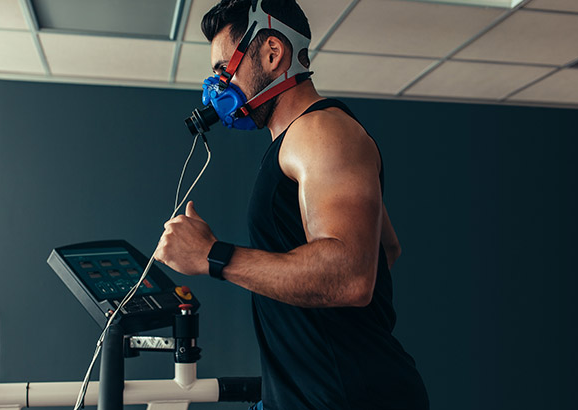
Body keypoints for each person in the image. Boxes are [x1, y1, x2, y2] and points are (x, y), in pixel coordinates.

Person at [154, 0, 430, 408]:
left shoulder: (322, 132)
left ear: (271, 53)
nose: (215, 89)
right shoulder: (297, 142)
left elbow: (352, 276)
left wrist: (213, 256)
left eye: (222, 70)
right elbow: (384, 249)